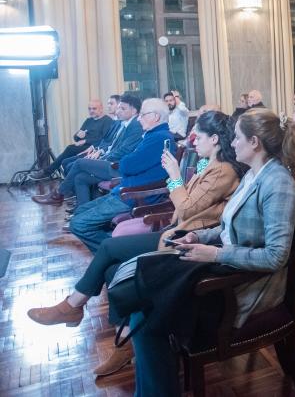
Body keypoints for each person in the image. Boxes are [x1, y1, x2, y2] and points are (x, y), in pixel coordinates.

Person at [26, 111, 243, 376]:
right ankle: (124, 338)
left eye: (199, 135)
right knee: (110, 268)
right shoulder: (209, 163)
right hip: (178, 230)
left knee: (107, 250)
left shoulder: (223, 170)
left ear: (216, 139)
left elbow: (186, 209)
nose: (192, 138)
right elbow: (188, 202)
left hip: (186, 238)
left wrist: (174, 174)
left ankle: (74, 306)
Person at [126, 109, 295, 396]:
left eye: (236, 138)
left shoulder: (278, 183)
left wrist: (215, 254)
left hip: (245, 288)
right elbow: (226, 227)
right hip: (229, 269)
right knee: (144, 300)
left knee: (147, 315)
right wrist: (198, 235)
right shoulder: (253, 175)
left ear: (255, 142)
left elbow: (276, 256)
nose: (231, 143)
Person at [68, 98, 176, 253]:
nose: (139, 118)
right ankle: (109, 249)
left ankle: (116, 252)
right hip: (124, 190)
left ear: (155, 117)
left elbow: (127, 165)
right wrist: (127, 162)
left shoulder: (159, 138)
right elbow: (129, 163)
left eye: (143, 115)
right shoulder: (154, 135)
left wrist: (127, 162)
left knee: (78, 224)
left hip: (133, 196)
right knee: (79, 211)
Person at [33, 95, 144, 207]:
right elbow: (111, 144)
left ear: (134, 110)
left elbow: (123, 151)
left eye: (122, 108)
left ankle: (58, 195)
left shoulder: (135, 125)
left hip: (118, 167)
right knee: (80, 178)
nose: (118, 111)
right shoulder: (125, 123)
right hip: (111, 162)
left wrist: (102, 157)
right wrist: (100, 153)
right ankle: (81, 211)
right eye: (119, 108)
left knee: (79, 162)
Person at [30, 99, 114, 180]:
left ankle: (48, 172)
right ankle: (59, 177)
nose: (91, 111)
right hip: (82, 146)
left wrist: (85, 140)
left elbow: (104, 139)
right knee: (67, 158)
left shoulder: (107, 121)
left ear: (101, 108)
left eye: (94, 108)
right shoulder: (88, 120)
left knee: (70, 149)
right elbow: (76, 138)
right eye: (89, 109)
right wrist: (78, 136)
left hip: (94, 148)